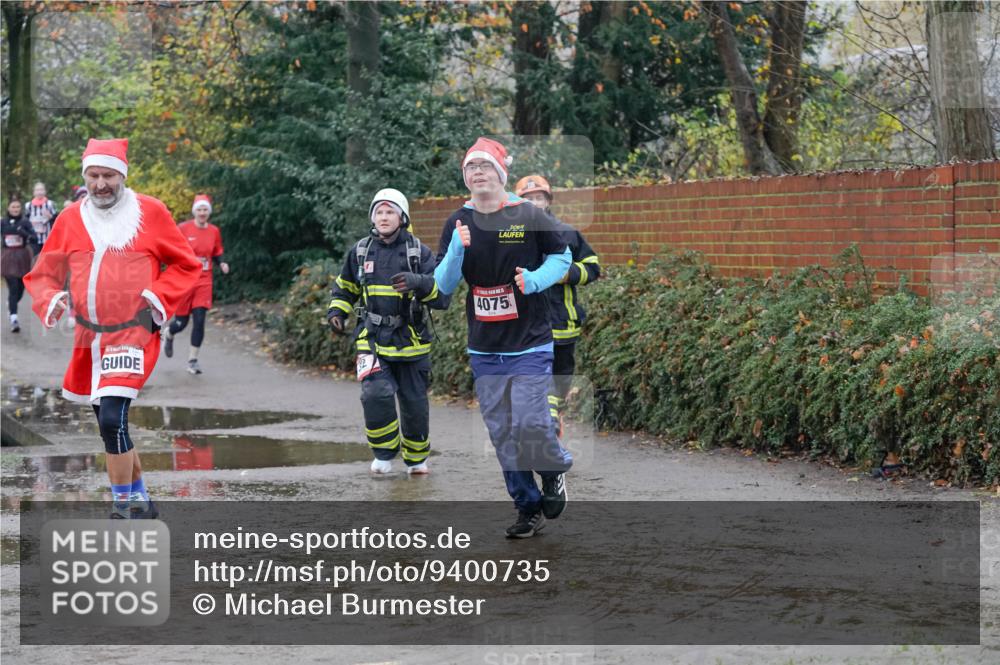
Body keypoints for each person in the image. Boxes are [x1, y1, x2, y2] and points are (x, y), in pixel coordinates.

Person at [403, 137, 573, 538]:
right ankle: (527, 507)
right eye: (470, 168)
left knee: (531, 422)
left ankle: (551, 470)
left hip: (530, 339)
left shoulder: (527, 213)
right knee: (501, 431)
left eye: (484, 167)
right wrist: (457, 253)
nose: (477, 173)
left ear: (500, 173)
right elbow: (443, 285)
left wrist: (534, 280)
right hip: (484, 346)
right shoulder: (456, 221)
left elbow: (562, 256)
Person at [24, 138, 201, 519]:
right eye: (94, 175)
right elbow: (43, 273)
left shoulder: (150, 212)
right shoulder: (71, 218)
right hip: (89, 338)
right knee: (109, 426)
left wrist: (159, 299)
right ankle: (142, 501)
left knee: (111, 418)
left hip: (133, 333)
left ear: (122, 175)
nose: (101, 183)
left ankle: (124, 510)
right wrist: (51, 298)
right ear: (85, 176)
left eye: (109, 175)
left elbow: (188, 265)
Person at [327, 188, 449, 475]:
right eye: (379, 212)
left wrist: (418, 281)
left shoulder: (419, 252)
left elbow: (442, 298)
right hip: (371, 340)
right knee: (374, 395)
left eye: (390, 211)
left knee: (415, 405)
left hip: (412, 343)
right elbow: (345, 287)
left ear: (402, 216)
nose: (383, 217)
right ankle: (383, 454)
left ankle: (417, 459)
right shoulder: (360, 251)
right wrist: (336, 312)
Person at [514, 175, 601, 437]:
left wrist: (566, 273)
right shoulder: (512, 237)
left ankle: (552, 414)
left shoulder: (567, 233)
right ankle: (547, 418)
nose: (534, 203)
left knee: (560, 379)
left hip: (563, 323)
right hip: (527, 325)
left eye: (539, 198)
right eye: (528, 199)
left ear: (548, 200)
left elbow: (593, 268)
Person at [163, 194, 229, 375]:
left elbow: (217, 251)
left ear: (209, 212)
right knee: (182, 322)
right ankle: (169, 333)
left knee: (200, 319)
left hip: (204, 279)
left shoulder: (214, 231)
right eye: (199, 209)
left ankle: (193, 360)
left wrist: (221, 263)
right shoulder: (183, 228)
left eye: (205, 210)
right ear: (195, 211)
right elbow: (172, 248)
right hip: (186, 278)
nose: (202, 213)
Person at [2, 199, 37, 333]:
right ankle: (14, 319)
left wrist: (23, 233)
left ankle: (11, 305)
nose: (15, 209)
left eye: (17, 207)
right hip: (7, 257)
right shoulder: (3, 222)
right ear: (9, 208)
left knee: (21, 288)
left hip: (22, 257)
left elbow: (34, 238)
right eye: (13, 207)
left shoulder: (25, 222)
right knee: (13, 288)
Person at [25, 181, 58, 256]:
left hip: (47, 238)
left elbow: (57, 219)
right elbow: (25, 220)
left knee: (46, 259)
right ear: (34, 192)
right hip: (34, 239)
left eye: (41, 190)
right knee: (35, 259)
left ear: (45, 191)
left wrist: (51, 216)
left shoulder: (50, 204)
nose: (39, 192)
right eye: (37, 190)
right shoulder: (28, 205)